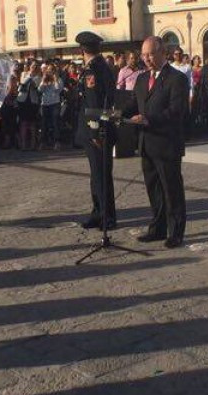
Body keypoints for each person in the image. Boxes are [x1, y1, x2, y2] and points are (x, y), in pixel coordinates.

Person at [129, 36, 190, 248]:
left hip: (167, 143)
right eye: (143, 55)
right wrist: (114, 114)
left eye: (150, 54)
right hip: (146, 143)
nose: (146, 59)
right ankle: (158, 228)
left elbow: (176, 111)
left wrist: (149, 119)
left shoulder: (177, 78)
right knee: (153, 188)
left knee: (171, 189)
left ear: (163, 52)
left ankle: (176, 231)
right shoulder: (141, 79)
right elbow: (133, 105)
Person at [74, 31, 116, 230]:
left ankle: (106, 216)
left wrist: (94, 132)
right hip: (103, 126)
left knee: (100, 175)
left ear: (82, 50)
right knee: (98, 174)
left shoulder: (92, 70)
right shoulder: (103, 67)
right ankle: (98, 212)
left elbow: (94, 103)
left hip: (97, 131)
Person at [114, 51, 142, 157]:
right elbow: (119, 87)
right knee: (130, 123)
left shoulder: (141, 70)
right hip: (128, 99)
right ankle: (130, 146)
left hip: (139, 98)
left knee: (139, 122)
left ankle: (139, 146)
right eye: (131, 58)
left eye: (135, 58)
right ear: (127, 59)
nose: (133, 60)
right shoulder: (123, 71)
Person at [40, 64, 63, 150]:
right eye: (48, 70)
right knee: (44, 123)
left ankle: (57, 142)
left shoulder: (58, 79)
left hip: (55, 103)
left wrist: (56, 79)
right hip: (45, 103)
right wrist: (43, 81)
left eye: (51, 70)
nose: (50, 71)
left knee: (55, 123)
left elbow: (58, 89)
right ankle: (43, 142)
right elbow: (40, 89)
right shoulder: (45, 79)